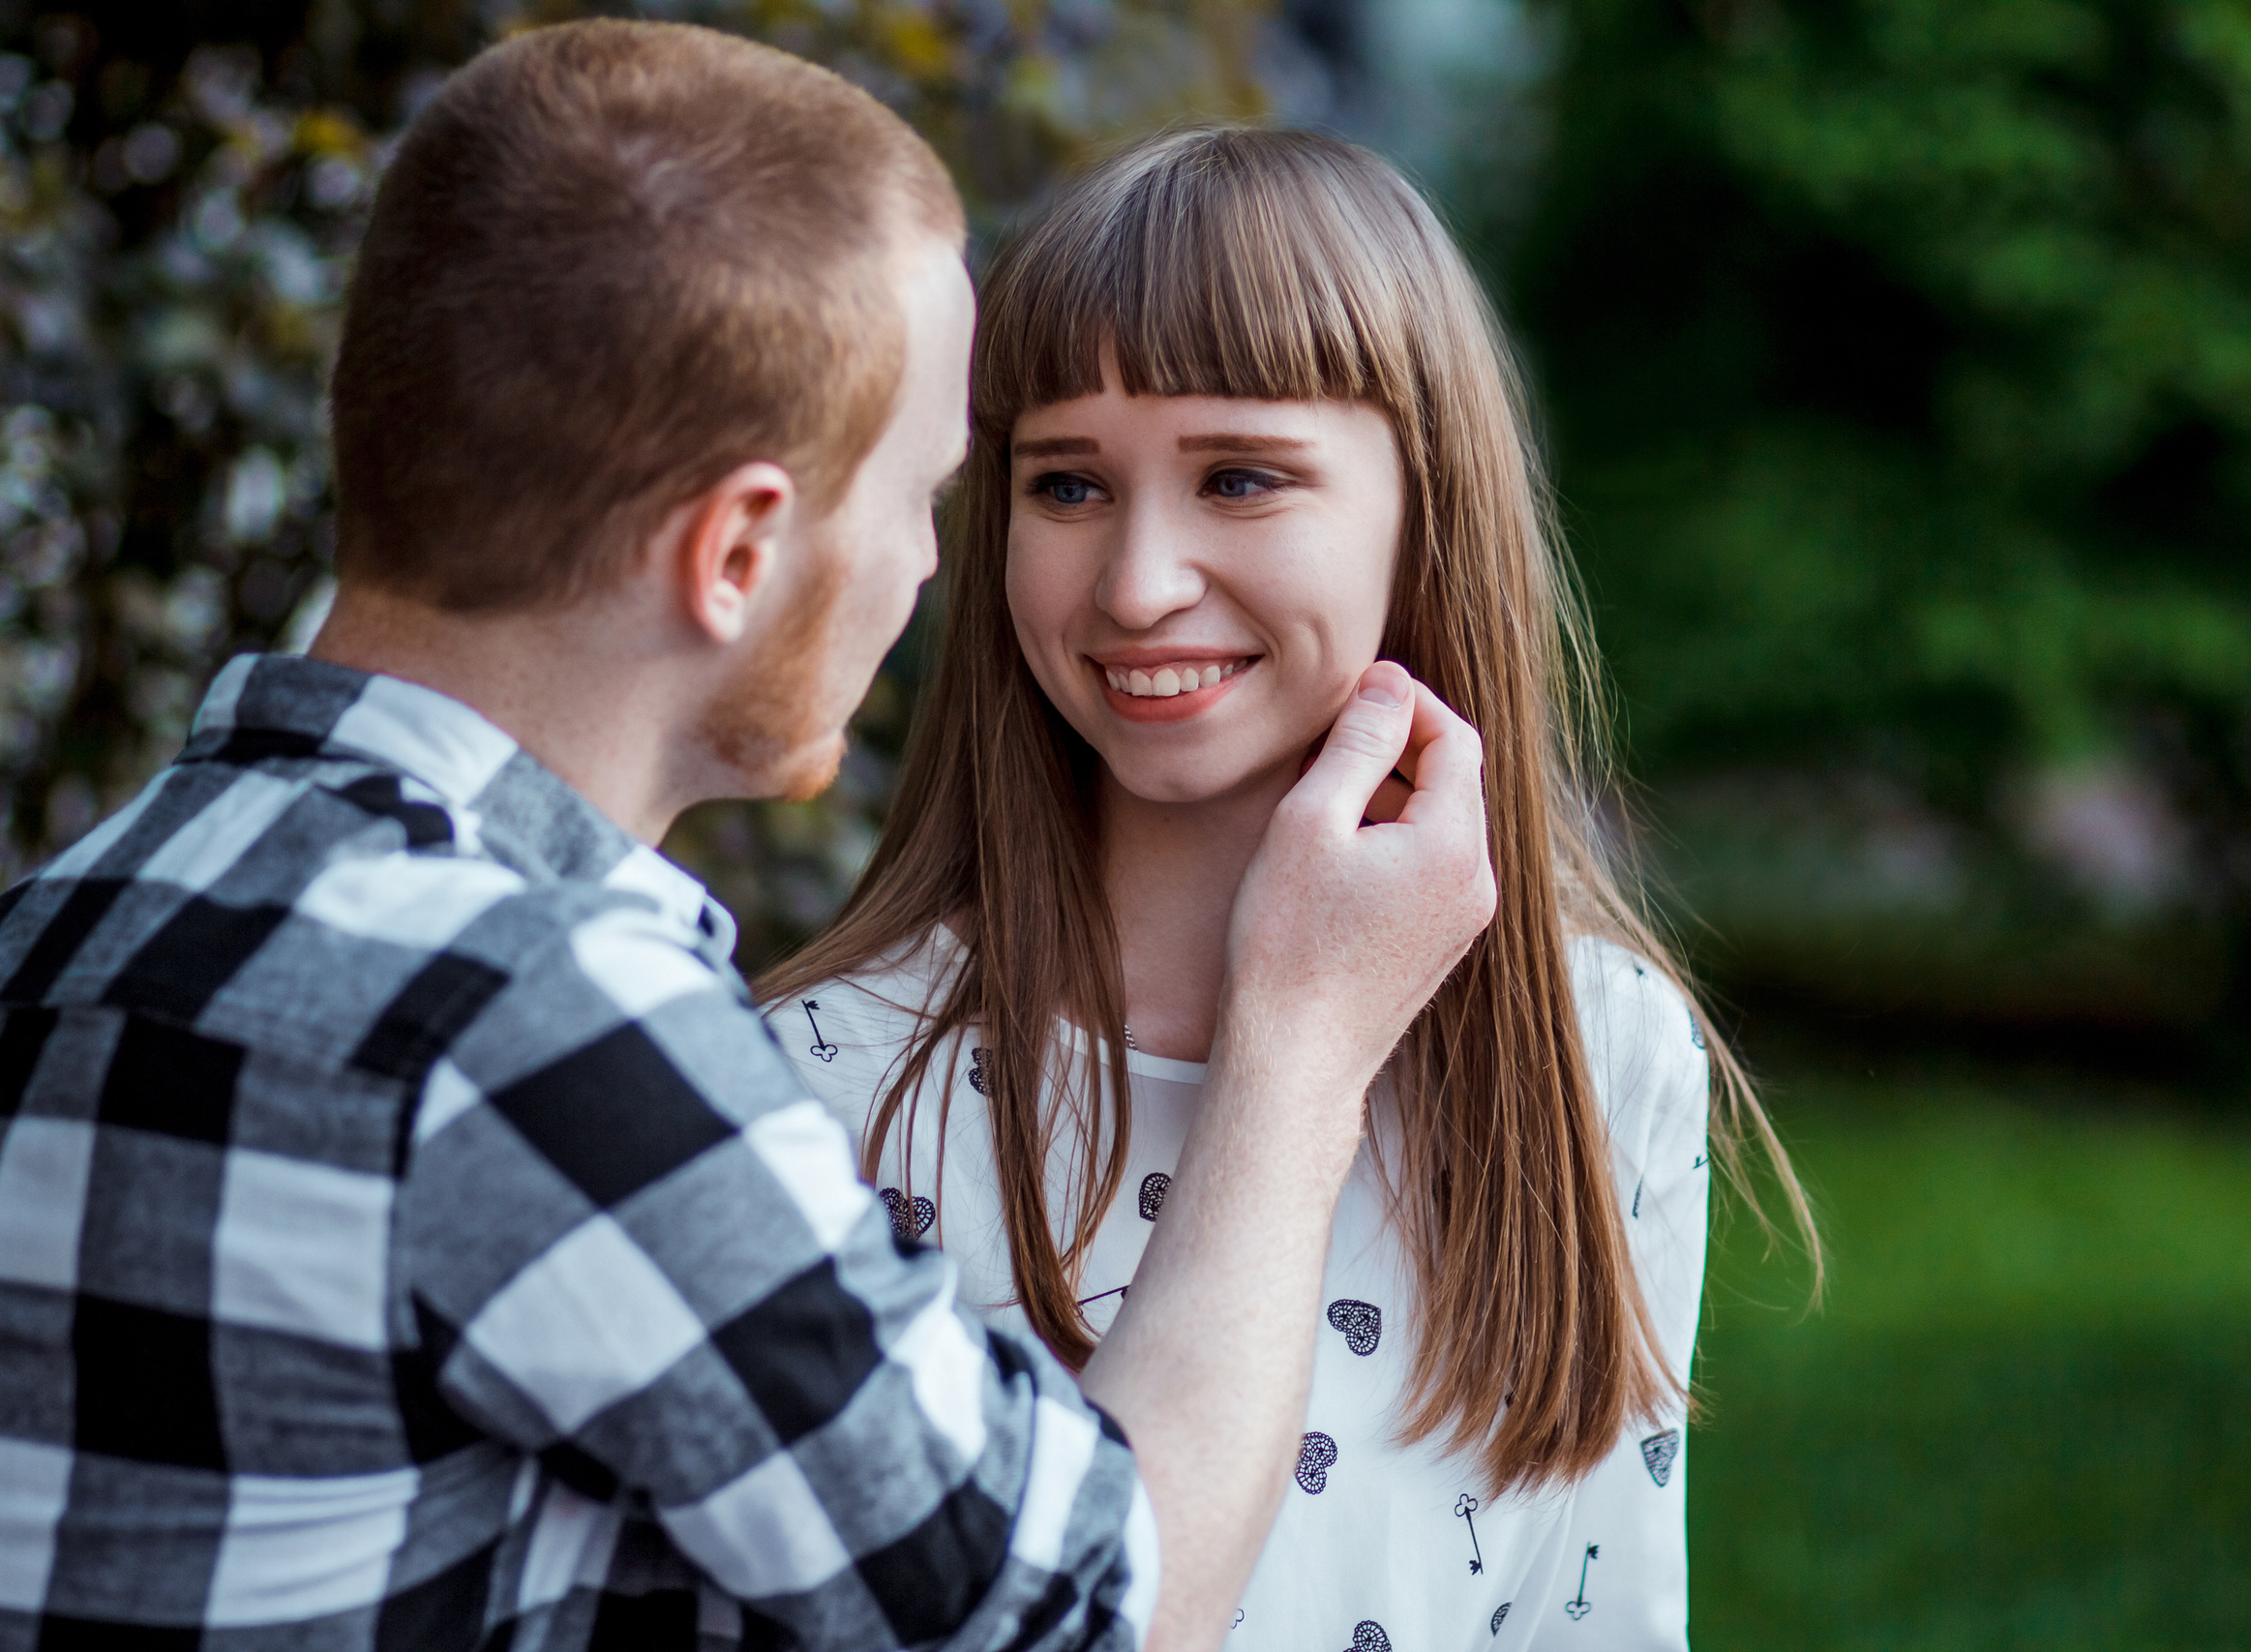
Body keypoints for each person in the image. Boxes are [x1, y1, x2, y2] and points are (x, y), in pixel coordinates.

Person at [0, 30, 1495, 1652]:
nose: (925, 572)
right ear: (737, 551)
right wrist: (1303, 1045)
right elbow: (1088, 1617)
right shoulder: (538, 1023)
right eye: (921, 495)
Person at [764, 127, 1815, 1646]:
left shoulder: (1601, 1048)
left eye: (1241, 477)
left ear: (1428, 507)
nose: (1138, 583)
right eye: (1068, 485)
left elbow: (1598, 1607)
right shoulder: (825, 1085)